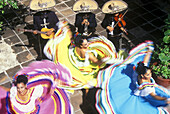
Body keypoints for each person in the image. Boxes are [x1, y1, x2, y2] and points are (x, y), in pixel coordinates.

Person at [95, 41, 170, 114]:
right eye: (148, 74)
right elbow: (153, 96)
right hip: (139, 99)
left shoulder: (138, 71)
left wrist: (149, 51)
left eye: (150, 73)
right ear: (142, 76)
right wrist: (165, 99)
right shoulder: (146, 86)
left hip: (136, 89)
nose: (150, 75)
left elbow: (145, 62)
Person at [44, 21, 118, 90]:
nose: (88, 44)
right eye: (85, 44)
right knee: (87, 79)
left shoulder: (75, 46)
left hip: (76, 60)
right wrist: (104, 60)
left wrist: (66, 28)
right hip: (83, 64)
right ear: (81, 46)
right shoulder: (87, 52)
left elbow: (69, 35)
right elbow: (96, 62)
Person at [0, 60, 74, 114]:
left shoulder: (35, 90)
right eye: (18, 87)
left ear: (25, 86)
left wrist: (52, 88)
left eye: (21, 87)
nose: (19, 90)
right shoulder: (14, 91)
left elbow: (45, 96)